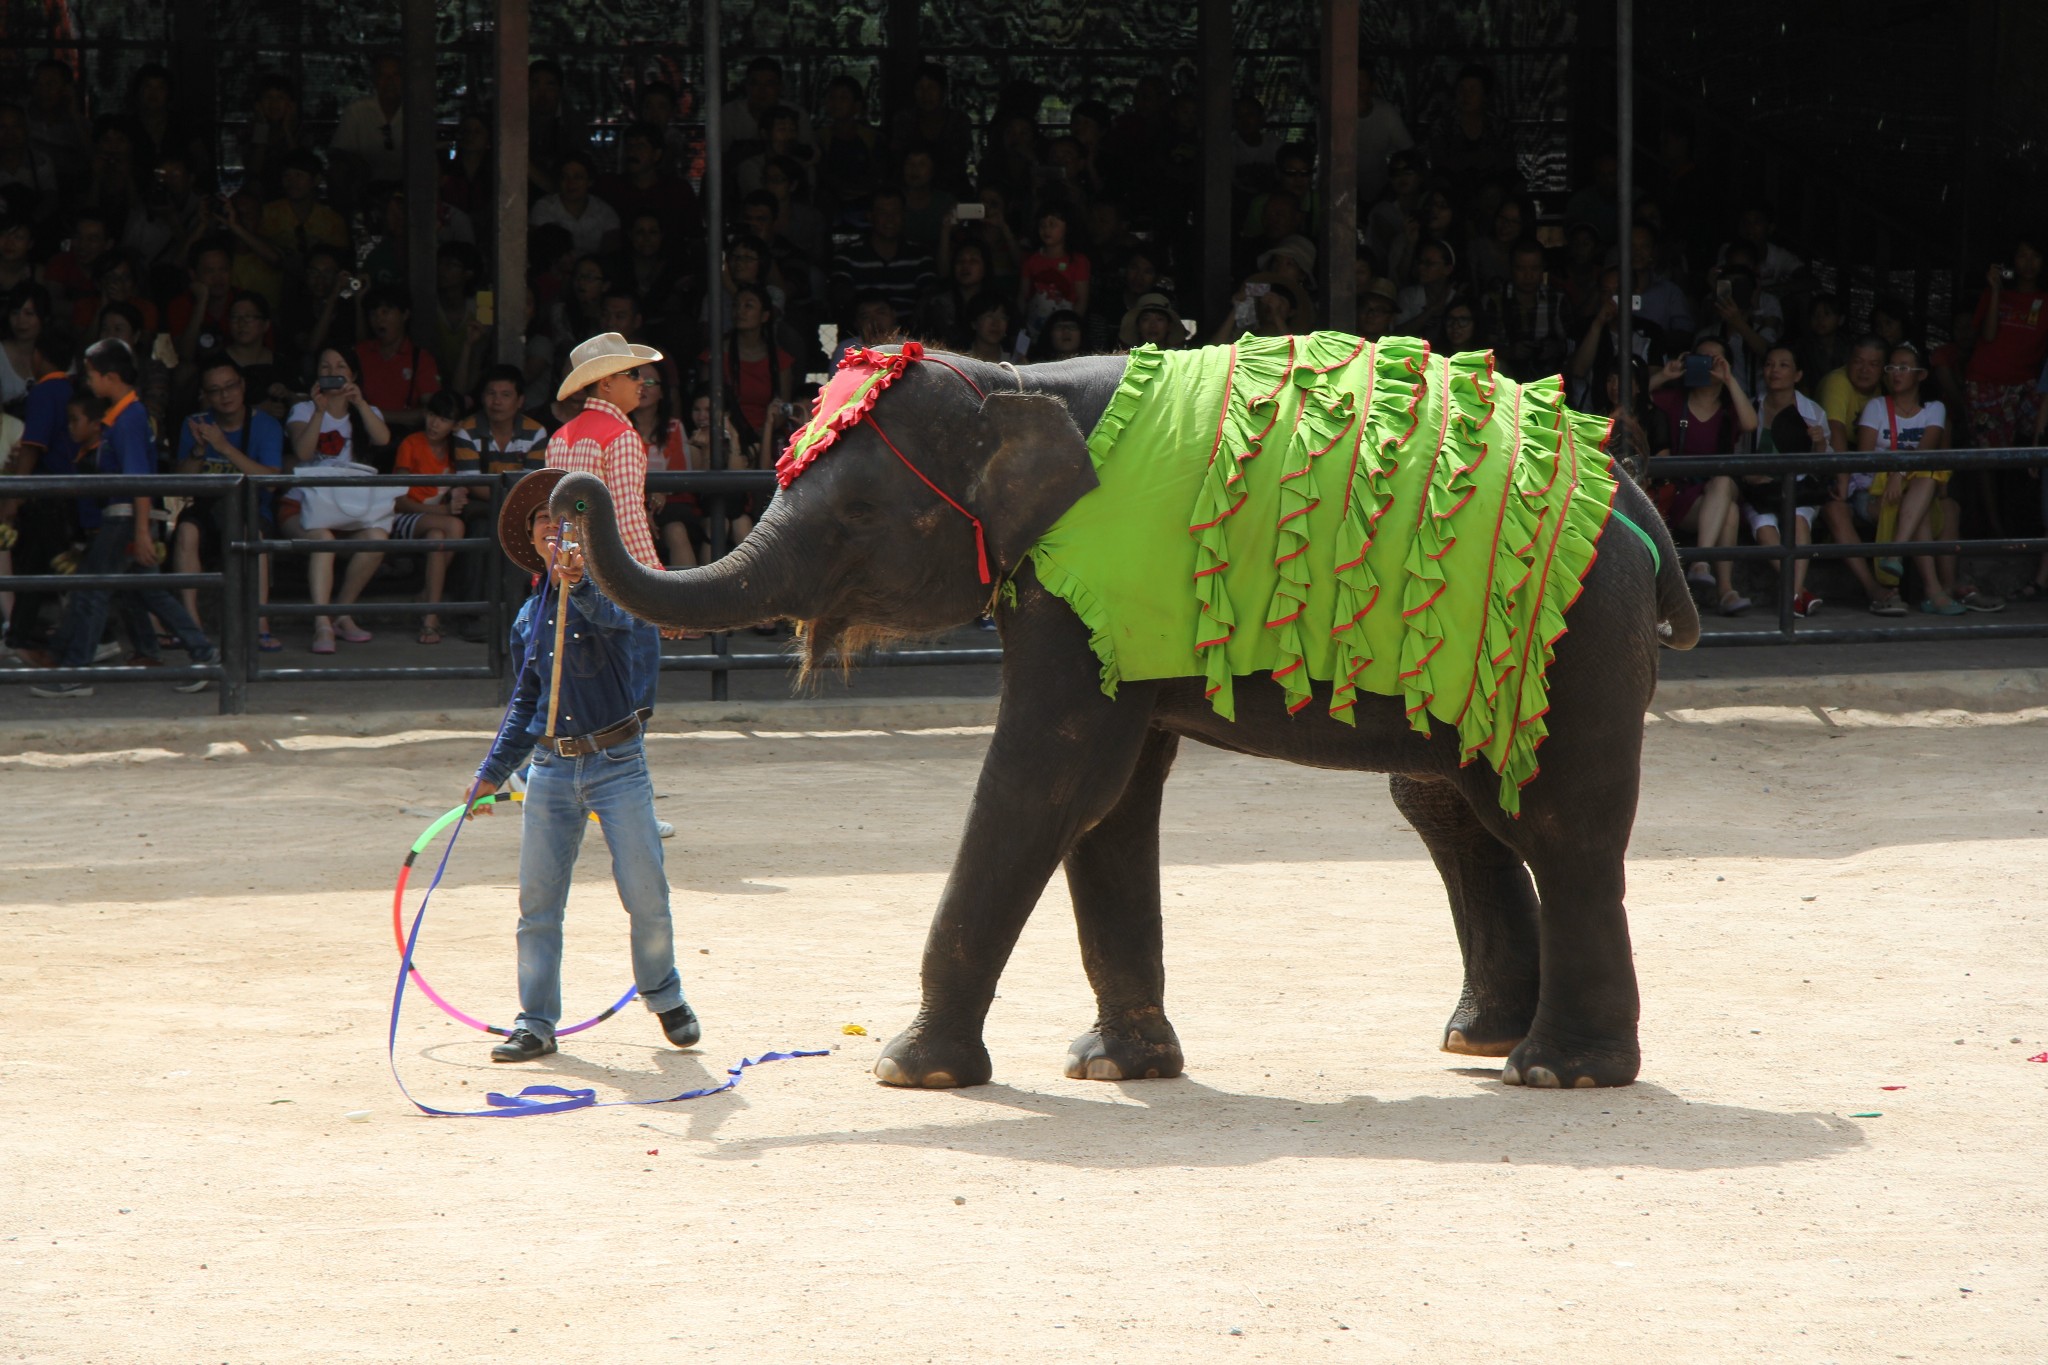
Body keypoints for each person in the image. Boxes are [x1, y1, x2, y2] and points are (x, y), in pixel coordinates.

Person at [468, 467, 697, 1064]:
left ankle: (664, 994)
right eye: (542, 519)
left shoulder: (616, 594)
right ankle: (535, 1021)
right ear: (535, 539)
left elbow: (621, 623)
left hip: (617, 761)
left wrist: (585, 587)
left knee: (646, 891)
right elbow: (526, 703)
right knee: (537, 903)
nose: (553, 525)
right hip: (548, 768)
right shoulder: (527, 618)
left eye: (562, 517)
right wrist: (493, 772)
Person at [31, 339, 218, 698]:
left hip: (125, 518)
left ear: (110, 377)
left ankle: (73, 670)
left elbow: (138, 480)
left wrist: (142, 534)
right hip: (130, 518)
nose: (88, 382)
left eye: (91, 375)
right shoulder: (125, 415)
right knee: (150, 593)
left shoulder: (129, 418)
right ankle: (204, 653)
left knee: (91, 590)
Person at [1855, 343, 1996, 616]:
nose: (1896, 373)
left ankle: (1900, 554)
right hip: (1876, 490)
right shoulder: (1876, 406)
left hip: (1913, 487)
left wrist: (1899, 473)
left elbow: (1925, 453)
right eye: (1892, 367)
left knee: (1939, 498)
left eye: (1904, 368)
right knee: (1925, 500)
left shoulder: (1935, 409)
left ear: (1921, 375)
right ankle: (1935, 590)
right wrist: (1893, 475)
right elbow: (1864, 459)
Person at [283, 346, 393, 652]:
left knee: (377, 537)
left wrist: (359, 403)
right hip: (304, 507)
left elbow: (383, 439)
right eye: (325, 367)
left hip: (351, 509)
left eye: (341, 366)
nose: (333, 373)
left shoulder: (366, 411)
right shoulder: (302, 410)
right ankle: (321, 625)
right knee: (322, 538)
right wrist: (320, 410)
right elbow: (303, 453)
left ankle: (340, 613)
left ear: (354, 374)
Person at [172, 356, 286, 647]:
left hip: (251, 508)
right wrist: (199, 450)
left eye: (230, 386)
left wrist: (223, 447)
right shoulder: (194, 424)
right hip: (207, 509)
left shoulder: (268, 425)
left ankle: (260, 623)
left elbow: (271, 482)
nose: (225, 395)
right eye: (215, 390)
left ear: (243, 386)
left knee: (254, 535)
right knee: (185, 531)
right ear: (205, 396)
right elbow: (180, 483)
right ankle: (191, 625)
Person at [1648, 338, 1757, 616]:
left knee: (1722, 482)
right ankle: (1725, 590)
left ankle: (1700, 562)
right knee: (1730, 513)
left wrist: (1729, 380)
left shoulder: (1729, 406)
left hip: (1719, 487)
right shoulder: (1676, 400)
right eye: (1701, 358)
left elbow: (1750, 423)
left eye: (1715, 360)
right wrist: (1665, 375)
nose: (1707, 365)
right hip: (1684, 496)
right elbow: (1634, 394)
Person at [545, 331, 664, 571]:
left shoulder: (557, 438)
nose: (641, 381)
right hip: (609, 575)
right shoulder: (620, 436)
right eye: (632, 374)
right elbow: (627, 517)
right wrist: (652, 571)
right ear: (606, 383)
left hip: (570, 569)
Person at [1741, 346, 1833, 617]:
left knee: (1798, 520)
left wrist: (1819, 443)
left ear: (1797, 374)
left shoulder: (1812, 411)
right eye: (1769, 364)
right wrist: (1750, 475)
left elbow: (1824, 464)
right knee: (1764, 524)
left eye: (1783, 365)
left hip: (1800, 489)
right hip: (1760, 490)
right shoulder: (1751, 406)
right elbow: (1737, 454)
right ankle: (1798, 594)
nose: (1774, 371)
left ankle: (1792, 593)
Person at [390, 390, 469, 644]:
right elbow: (399, 500)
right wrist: (443, 511)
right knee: (453, 525)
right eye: (433, 415)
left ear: (456, 425)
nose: (435, 423)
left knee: (438, 537)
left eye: (444, 419)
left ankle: (429, 615)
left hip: (431, 525)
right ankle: (428, 604)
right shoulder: (411, 444)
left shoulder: (457, 452)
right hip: (400, 519)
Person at [1964, 240, 2048, 454]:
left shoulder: (2046, 301)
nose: (2029, 263)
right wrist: (1995, 290)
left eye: (2035, 256)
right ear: (2012, 261)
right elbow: (1989, 335)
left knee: (2028, 445)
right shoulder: (1995, 295)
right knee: (1986, 452)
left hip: (2025, 386)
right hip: (1985, 381)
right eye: (2022, 256)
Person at [828, 187, 934, 326]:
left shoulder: (920, 256)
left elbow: (931, 296)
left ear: (904, 215)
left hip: (909, 338)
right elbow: (841, 298)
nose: (889, 219)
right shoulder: (848, 256)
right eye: (882, 212)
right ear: (870, 216)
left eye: (895, 212)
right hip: (863, 338)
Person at [353, 285, 440, 433]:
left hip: (403, 441)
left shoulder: (421, 359)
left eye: (385, 312)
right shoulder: (360, 353)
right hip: (363, 437)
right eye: (373, 314)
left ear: (405, 314)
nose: (379, 319)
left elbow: (431, 412)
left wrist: (375, 415)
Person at [1483, 240, 1569, 383]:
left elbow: (1573, 344)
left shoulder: (1557, 299)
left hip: (1549, 379)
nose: (1528, 275)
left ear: (1543, 269)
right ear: (1511, 268)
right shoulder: (1494, 300)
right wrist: (1510, 352)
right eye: (1521, 269)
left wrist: (1555, 348)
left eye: (1534, 269)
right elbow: (1482, 346)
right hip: (1504, 382)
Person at [329, 54, 407, 195]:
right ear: (375, 80)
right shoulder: (357, 110)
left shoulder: (416, 113)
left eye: (395, 75)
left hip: (408, 185)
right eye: (384, 76)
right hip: (366, 186)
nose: (390, 82)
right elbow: (338, 151)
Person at [528, 152, 619, 259]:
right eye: (565, 177)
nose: (570, 183)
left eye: (578, 177)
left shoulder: (605, 211)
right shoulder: (544, 208)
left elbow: (612, 254)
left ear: (590, 181)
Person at [1016, 202, 1090, 332]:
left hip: (1065, 330)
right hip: (1034, 329)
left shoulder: (1079, 262)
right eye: (1042, 225)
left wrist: (1072, 328)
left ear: (1067, 227)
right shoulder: (1030, 261)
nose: (1046, 230)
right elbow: (1023, 296)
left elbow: (1081, 300)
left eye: (1052, 224)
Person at [1352, 59, 1414, 208]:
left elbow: (1408, 152)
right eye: (1350, 81)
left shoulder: (1385, 113)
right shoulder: (1333, 114)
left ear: (1372, 85)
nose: (1355, 87)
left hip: (1380, 196)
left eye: (1360, 82)